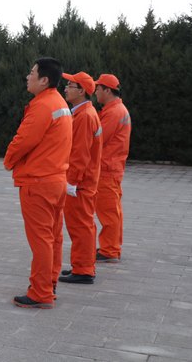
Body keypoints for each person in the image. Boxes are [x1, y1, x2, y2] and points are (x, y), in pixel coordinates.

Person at [4, 57, 73, 309]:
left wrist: (8, 161)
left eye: (31, 72)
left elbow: (24, 140)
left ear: (44, 80)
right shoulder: (59, 102)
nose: (27, 76)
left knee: (41, 239)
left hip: (39, 181)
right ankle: (49, 283)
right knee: (53, 237)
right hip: (56, 179)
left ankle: (41, 292)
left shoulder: (43, 105)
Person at [57, 72, 102, 285]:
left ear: (82, 91)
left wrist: (71, 182)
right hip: (85, 180)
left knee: (80, 226)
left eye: (70, 85)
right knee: (82, 225)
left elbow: (80, 154)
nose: (65, 89)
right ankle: (81, 265)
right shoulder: (84, 113)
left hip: (81, 183)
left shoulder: (84, 116)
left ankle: (84, 270)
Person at [93, 73, 131, 263]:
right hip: (111, 167)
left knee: (108, 211)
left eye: (98, 89)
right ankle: (111, 246)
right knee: (113, 210)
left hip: (107, 168)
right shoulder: (116, 109)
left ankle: (109, 249)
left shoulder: (114, 112)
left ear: (107, 90)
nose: (95, 92)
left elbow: (98, 139)